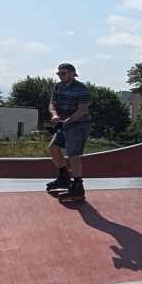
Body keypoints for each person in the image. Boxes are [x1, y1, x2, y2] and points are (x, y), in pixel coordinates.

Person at [44, 63, 93, 201]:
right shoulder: (58, 87)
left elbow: (82, 110)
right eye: (59, 73)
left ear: (72, 74)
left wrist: (68, 121)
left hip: (79, 125)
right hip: (64, 124)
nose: (60, 76)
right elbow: (52, 103)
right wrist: (54, 115)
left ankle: (78, 188)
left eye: (63, 73)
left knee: (74, 155)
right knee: (53, 148)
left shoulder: (81, 89)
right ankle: (63, 177)